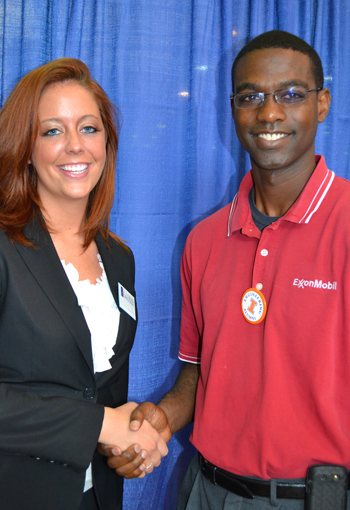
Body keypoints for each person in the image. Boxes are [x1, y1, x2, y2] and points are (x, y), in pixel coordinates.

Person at [102, 30, 350, 508]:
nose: (270, 113)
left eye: (291, 95)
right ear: (233, 108)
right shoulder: (205, 240)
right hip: (206, 491)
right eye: (250, 96)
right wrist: (161, 419)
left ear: (322, 105)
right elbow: (199, 373)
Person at [0, 58, 168, 510]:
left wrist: (127, 432)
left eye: (89, 128)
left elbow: (95, 387)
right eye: (53, 131)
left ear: (107, 144)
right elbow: (91, 413)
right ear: (25, 147)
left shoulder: (119, 258)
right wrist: (96, 426)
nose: (76, 146)